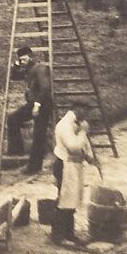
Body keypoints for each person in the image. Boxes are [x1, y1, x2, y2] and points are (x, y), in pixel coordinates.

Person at [51, 104, 96, 245]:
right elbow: (74, 147)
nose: (87, 116)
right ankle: (58, 235)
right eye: (86, 111)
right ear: (78, 109)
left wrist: (89, 156)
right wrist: (83, 132)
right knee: (65, 200)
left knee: (73, 200)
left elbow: (84, 144)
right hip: (65, 165)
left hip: (74, 165)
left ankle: (69, 233)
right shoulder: (64, 125)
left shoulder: (78, 123)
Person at [5, 46, 54, 173]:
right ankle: (16, 151)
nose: (22, 62)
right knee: (12, 119)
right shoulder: (28, 69)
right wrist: (16, 65)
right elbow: (14, 76)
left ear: (30, 56)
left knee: (38, 134)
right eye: (20, 60)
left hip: (43, 104)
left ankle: (34, 167)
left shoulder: (40, 68)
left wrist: (37, 105)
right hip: (32, 104)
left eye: (24, 59)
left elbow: (46, 88)